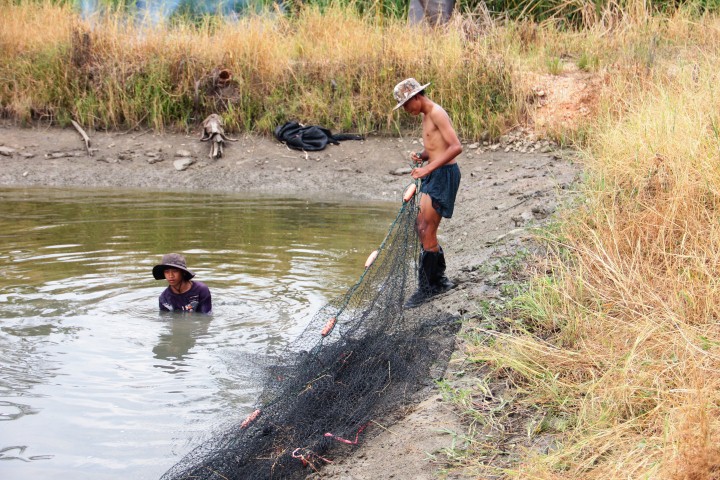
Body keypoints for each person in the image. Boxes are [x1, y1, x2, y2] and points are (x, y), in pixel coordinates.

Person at [392, 77, 462, 307]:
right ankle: (438, 280)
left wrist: (428, 168)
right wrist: (423, 156)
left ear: (415, 97)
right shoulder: (425, 115)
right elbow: (436, 146)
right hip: (434, 173)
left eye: (405, 105)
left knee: (426, 227)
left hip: (444, 175)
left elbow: (455, 147)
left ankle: (428, 287)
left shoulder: (436, 112)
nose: (405, 110)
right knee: (420, 226)